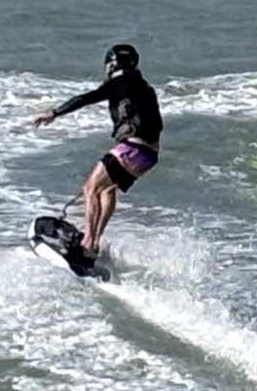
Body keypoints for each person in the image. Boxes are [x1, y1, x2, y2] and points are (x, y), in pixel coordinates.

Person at [30, 43, 161, 259]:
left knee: (90, 187)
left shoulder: (119, 83)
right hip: (148, 155)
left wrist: (54, 113)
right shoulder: (146, 88)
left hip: (132, 147)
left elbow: (85, 99)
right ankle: (94, 243)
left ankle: (88, 244)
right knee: (107, 190)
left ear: (112, 65)